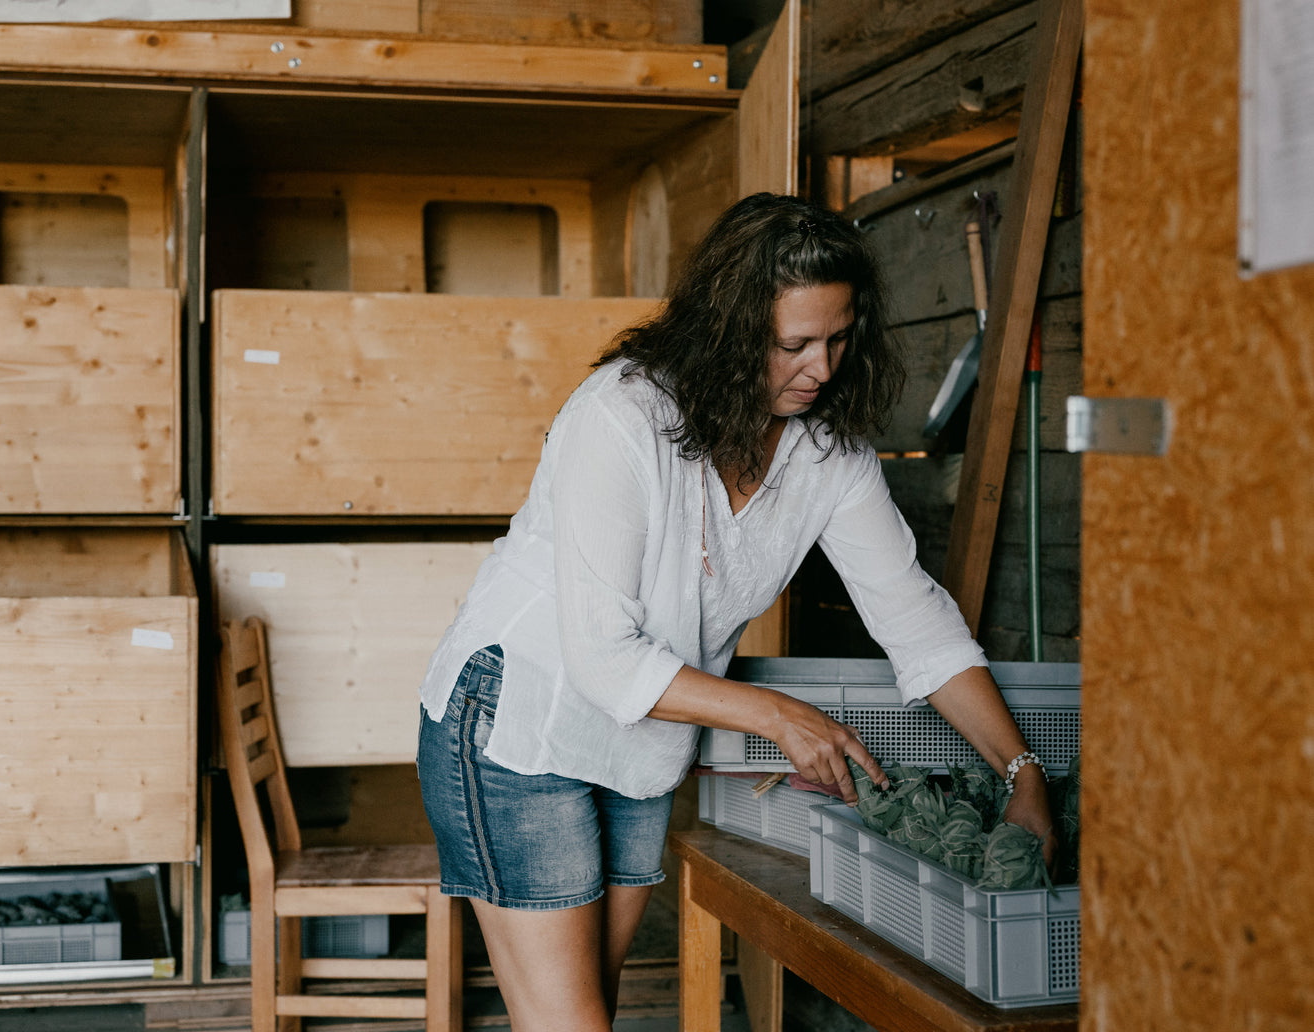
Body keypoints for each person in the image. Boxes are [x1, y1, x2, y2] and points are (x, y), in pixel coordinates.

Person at [416, 192, 1054, 1030]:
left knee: (582, 1011)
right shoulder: (621, 415)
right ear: (727, 330)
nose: (820, 369)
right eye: (793, 345)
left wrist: (1022, 774)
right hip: (518, 719)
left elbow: (917, 621)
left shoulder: (828, 454)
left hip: (640, 737)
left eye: (836, 339)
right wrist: (779, 717)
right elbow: (603, 656)